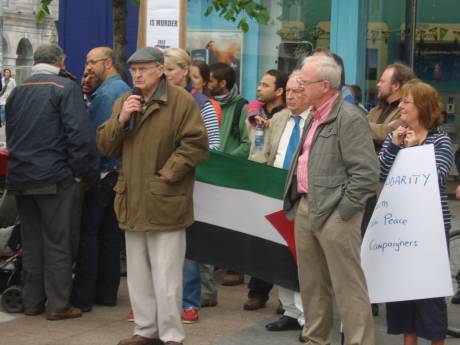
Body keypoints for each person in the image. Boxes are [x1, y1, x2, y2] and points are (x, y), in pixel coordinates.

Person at [96, 47, 208, 345]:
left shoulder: (180, 101)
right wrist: (120, 119)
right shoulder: (125, 101)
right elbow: (105, 146)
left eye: (144, 69)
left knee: (167, 277)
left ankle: (171, 335)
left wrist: (168, 174)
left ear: (160, 69)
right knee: (138, 275)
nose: (137, 74)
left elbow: (196, 144)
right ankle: (145, 331)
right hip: (132, 200)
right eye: (133, 70)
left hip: (166, 200)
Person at [283, 55, 379, 344]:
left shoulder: (349, 118)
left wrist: (344, 211)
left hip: (336, 212)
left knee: (348, 285)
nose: (299, 87)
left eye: (304, 82)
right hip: (306, 205)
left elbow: (366, 173)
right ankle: (316, 339)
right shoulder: (314, 113)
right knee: (312, 284)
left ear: (325, 85)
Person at [5, 44, 98, 320]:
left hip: (21, 177)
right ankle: (58, 305)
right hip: (55, 178)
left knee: (32, 244)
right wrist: (82, 173)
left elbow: (12, 135)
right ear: (60, 61)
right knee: (59, 242)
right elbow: (78, 135)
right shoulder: (65, 88)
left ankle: (33, 302)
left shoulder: (16, 91)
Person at [379, 79, 453, 345]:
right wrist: (394, 146)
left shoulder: (440, 140)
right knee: (402, 288)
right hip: (399, 224)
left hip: (429, 227)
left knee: (429, 289)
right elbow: (382, 172)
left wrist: (413, 151)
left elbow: (435, 175)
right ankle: (408, 341)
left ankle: (435, 341)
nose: (400, 107)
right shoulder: (397, 136)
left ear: (422, 106)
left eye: (406, 102)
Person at [71, 47, 131, 312]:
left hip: (104, 173)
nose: (87, 66)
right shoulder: (123, 89)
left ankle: (86, 295)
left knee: (91, 235)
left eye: (91, 62)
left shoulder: (105, 94)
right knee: (110, 237)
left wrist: (87, 174)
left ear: (107, 63)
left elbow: (95, 140)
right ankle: (107, 293)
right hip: (118, 173)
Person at [163, 47, 220, 324]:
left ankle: (189, 301)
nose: (165, 74)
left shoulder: (202, 104)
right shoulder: (157, 99)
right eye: (162, 69)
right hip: (161, 182)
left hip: (192, 182)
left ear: (185, 71)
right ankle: (156, 304)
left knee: (188, 245)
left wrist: (182, 162)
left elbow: (215, 146)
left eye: (170, 68)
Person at [262, 71, 309, 335]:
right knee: (280, 255)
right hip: (275, 195)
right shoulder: (278, 119)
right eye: (288, 91)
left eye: (298, 91)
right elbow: (267, 154)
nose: (291, 96)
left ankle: (308, 317)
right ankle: (290, 310)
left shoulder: (315, 121)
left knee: (303, 259)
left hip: (303, 199)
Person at [243, 69, 288, 311]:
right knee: (258, 239)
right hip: (256, 176)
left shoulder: (288, 116)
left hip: (277, 180)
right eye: (259, 83)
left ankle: (286, 297)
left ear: (279, 91)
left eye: (265, 84)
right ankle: (257, 292)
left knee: (280, 239)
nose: (259, 88)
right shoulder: (253, 112)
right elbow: (248, 142)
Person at [208, 62, 250, 286]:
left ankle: (236, 267)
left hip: (231, 173)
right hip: (210, 172)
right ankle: (217, 261)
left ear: (222, 84)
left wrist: (227, 161)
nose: (207, 84)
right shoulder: (206, 105)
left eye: (211, 80)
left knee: (234, 222)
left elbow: (247, 143)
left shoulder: (241, 107)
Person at [367, 63, 416, 152]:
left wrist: (361, 126)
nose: (378, 84)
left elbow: (389, 133)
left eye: (382, 81)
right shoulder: (376, 110)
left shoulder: (406, 111)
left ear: (396, 86)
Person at [190, 60, 222, 126]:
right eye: (189, 76)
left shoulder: (211, 105)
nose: (191, 79)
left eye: (195, 77)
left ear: (204, 82)